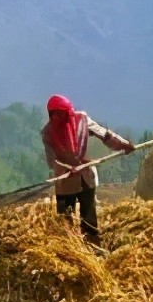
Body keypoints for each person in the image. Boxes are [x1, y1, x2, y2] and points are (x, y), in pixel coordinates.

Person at [41, 94, 135, 241]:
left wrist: (123, 144)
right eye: (53, 114)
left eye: (60, 114)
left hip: (85, 176)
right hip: (64, 182)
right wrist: (67, 168)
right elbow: (51, 160)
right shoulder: (47, 132)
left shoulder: (82, 120)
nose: (56, 118)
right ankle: (68, 247)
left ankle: (93, 246)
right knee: (65, 219)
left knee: (89, 215)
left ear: (68, 112)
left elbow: (104, 134)